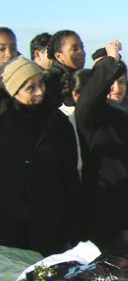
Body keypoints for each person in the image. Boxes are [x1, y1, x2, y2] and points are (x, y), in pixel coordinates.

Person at [76, 40, 128, 249]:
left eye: (121, 82)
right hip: (112, 213)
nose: (116, 89)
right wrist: (111, 61)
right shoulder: (93, 116)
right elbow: (88, 100)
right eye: (110, 83)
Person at [0, 56, 80, 255]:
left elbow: (69, 176)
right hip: (8, 225)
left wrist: (73, 225)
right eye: (30, 88)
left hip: (48, 223)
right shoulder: (4, 122)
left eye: (41, 83)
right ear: (14, 92)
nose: (40, 91)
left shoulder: (57, 122)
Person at [44, 30, 86, 107]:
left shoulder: (82, 77)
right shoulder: (52, 81)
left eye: (82, 47)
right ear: (58, 56)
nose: (81, 52)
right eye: (74, 49)